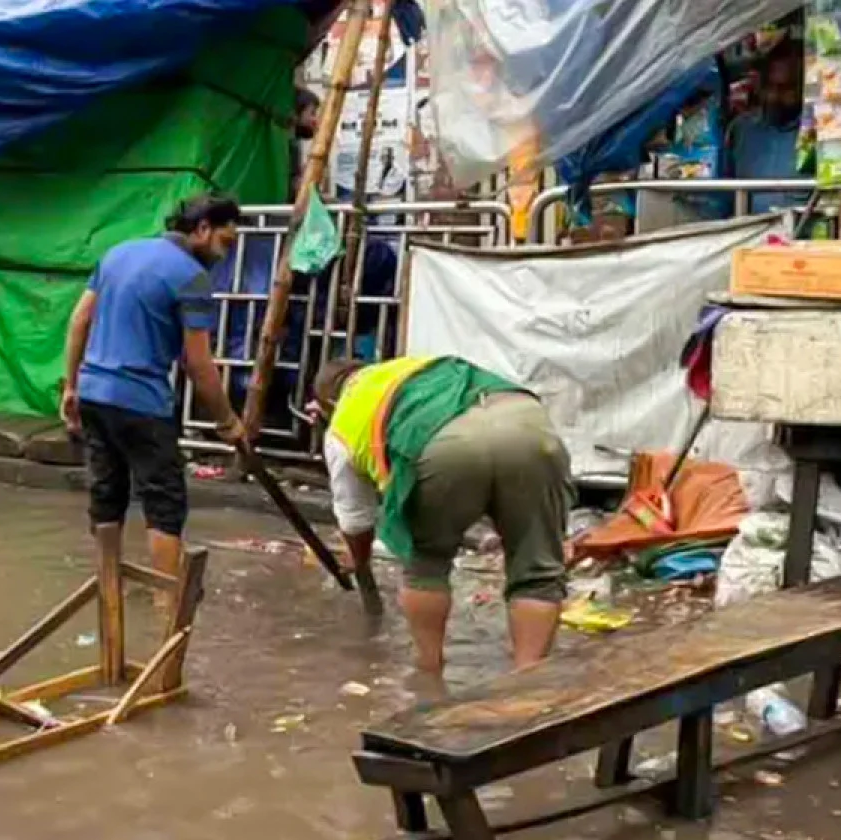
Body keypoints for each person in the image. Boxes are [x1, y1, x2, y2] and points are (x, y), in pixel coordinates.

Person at [312, 356, 572, 678]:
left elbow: (355, 519)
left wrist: (358, 559)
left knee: (426, 565)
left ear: (327, 402)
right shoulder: (412, 367)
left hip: (445, 443)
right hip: (527, 424)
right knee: (538, 572)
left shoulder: (344, 419)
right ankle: (528, 683)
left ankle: (429, 674)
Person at [60, 194, 248, 580]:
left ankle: (108, 588)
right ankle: (168, 600)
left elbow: (79, 320)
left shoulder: (118, 254)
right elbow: (198, 363)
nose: (225, 254)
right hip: (141, 403)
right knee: (164, 503)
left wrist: (71, 386)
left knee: (106, 494)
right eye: (225, 242)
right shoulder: (192, 278)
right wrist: (227, 421)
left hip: (94, 394)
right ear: (202, 229)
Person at [727, 41, 810, 215]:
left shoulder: (815, 134)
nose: (775, 96)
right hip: (747, 227)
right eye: (769, 87)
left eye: (786, 89)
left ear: (803, 87)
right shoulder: (741, 130)